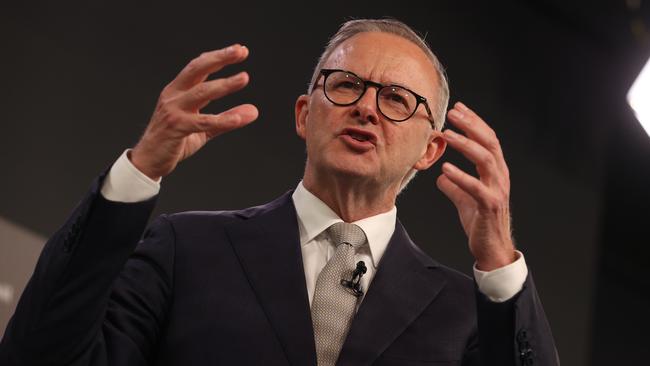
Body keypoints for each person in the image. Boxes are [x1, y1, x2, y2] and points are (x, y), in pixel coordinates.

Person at [0, 18, 558, 365]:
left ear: (431, 150)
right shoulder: (185, 248)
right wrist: (139, 170)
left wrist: (499, 262)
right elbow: (39, 353)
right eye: (345, 85)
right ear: (303, 114)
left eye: (396, 99)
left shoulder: (464, 314)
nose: (366, 106)